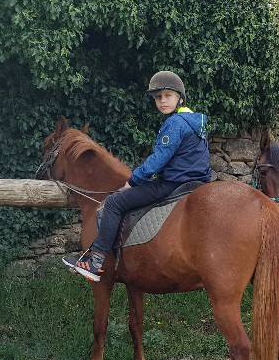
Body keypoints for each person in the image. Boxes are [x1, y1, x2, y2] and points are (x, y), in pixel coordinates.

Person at [63, 71, 212, 281]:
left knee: (114, 202)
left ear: (180, 98)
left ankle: (95, 261)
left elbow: (159, 159)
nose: (162, 101)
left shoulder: (175, 123)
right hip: (197, 183)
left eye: (167, 95)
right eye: (158, 97)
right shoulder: (196, 123)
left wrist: (133, 181)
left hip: (173, 184)